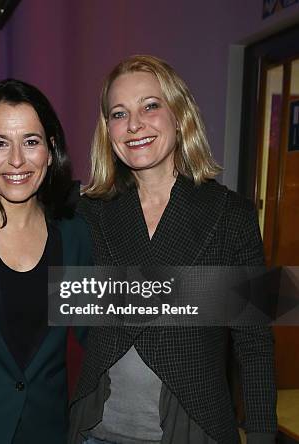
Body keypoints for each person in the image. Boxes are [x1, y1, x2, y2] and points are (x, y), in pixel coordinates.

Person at [71, 55, 277, 443]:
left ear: (179, 114)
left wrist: (263, 434)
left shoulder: (231, 215)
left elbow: (254, 344)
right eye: (119, 113)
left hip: (194, 429)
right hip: (96, 433)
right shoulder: (89, 213)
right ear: (107, 130)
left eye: (150, 105)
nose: (134, 125)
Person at [0, 79, 92, 444]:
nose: (17, 160)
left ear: (51, 148)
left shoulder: (75, 233)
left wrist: (233, 296)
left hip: (47, 432)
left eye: (31, 141)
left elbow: (102, 330)